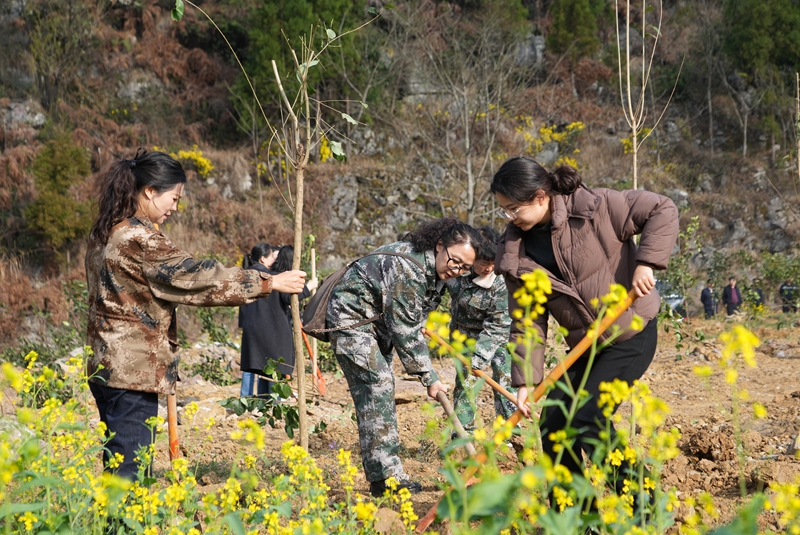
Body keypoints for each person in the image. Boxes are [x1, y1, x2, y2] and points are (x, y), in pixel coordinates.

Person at [85, 149, 306, 480]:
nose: (175, 208)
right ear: (150, 191)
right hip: (131, 372)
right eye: (173, 198)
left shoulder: (106, 232)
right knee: (129, 476)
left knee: (118, 465)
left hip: (105, 365)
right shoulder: (140, 239)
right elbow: (196, 277)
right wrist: (268, 281)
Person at [491, 156, 678, 508]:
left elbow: (661, 209)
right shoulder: (514, 252)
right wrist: (526, 381)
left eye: (514, 208)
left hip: (631, 330)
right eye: (504, 210)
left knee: (589, 416)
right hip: (587, 345)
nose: (510, 217)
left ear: (541, 196)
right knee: (554, 421)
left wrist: (646, 263)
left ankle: (646, 508)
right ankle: (572, 517)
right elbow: (528, 322)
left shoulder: (594, 207)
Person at [325, 217, 481, 497]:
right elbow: (405, 330)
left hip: (374, 326)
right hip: (350, 321)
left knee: (378, 391)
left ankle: (382, 474)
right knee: (379, 386)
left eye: (464, 268)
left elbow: (410, 316)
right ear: (440, 245)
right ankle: (386, 478)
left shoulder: (435, 271)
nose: (456, 270)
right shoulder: (409, 268)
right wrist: (430, 377)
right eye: (455, 261)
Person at [446, 227, 516, 435]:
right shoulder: (458, 273)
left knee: (504, 381)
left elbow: (498, 326)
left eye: (493, 263)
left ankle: (512, 434)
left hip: (497, 337)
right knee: (465, 384)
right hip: (464, 337)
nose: (489, 268)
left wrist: (478, 358)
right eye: (484, 263)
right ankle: (463, 436)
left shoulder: (501, 284)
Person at [240, 245, 317, 397]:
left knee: (263, 372)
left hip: (255, 334)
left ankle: (257, 403)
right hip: (273, 336)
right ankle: (272, 405)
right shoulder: (272, 278)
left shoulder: (252, 275)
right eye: (271, 257)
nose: (273, 260)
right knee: (274, 376)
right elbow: (289, 297)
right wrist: (308, 287)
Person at [239, 242, 279, 398]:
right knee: (266, 363)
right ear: (263, 259)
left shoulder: (244, 274)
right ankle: (269, 400)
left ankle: (245, 399)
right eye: (271, 257)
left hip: (249, 325)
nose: (273, 260)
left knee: (250, 364)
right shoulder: (268, 277)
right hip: (264, 326)